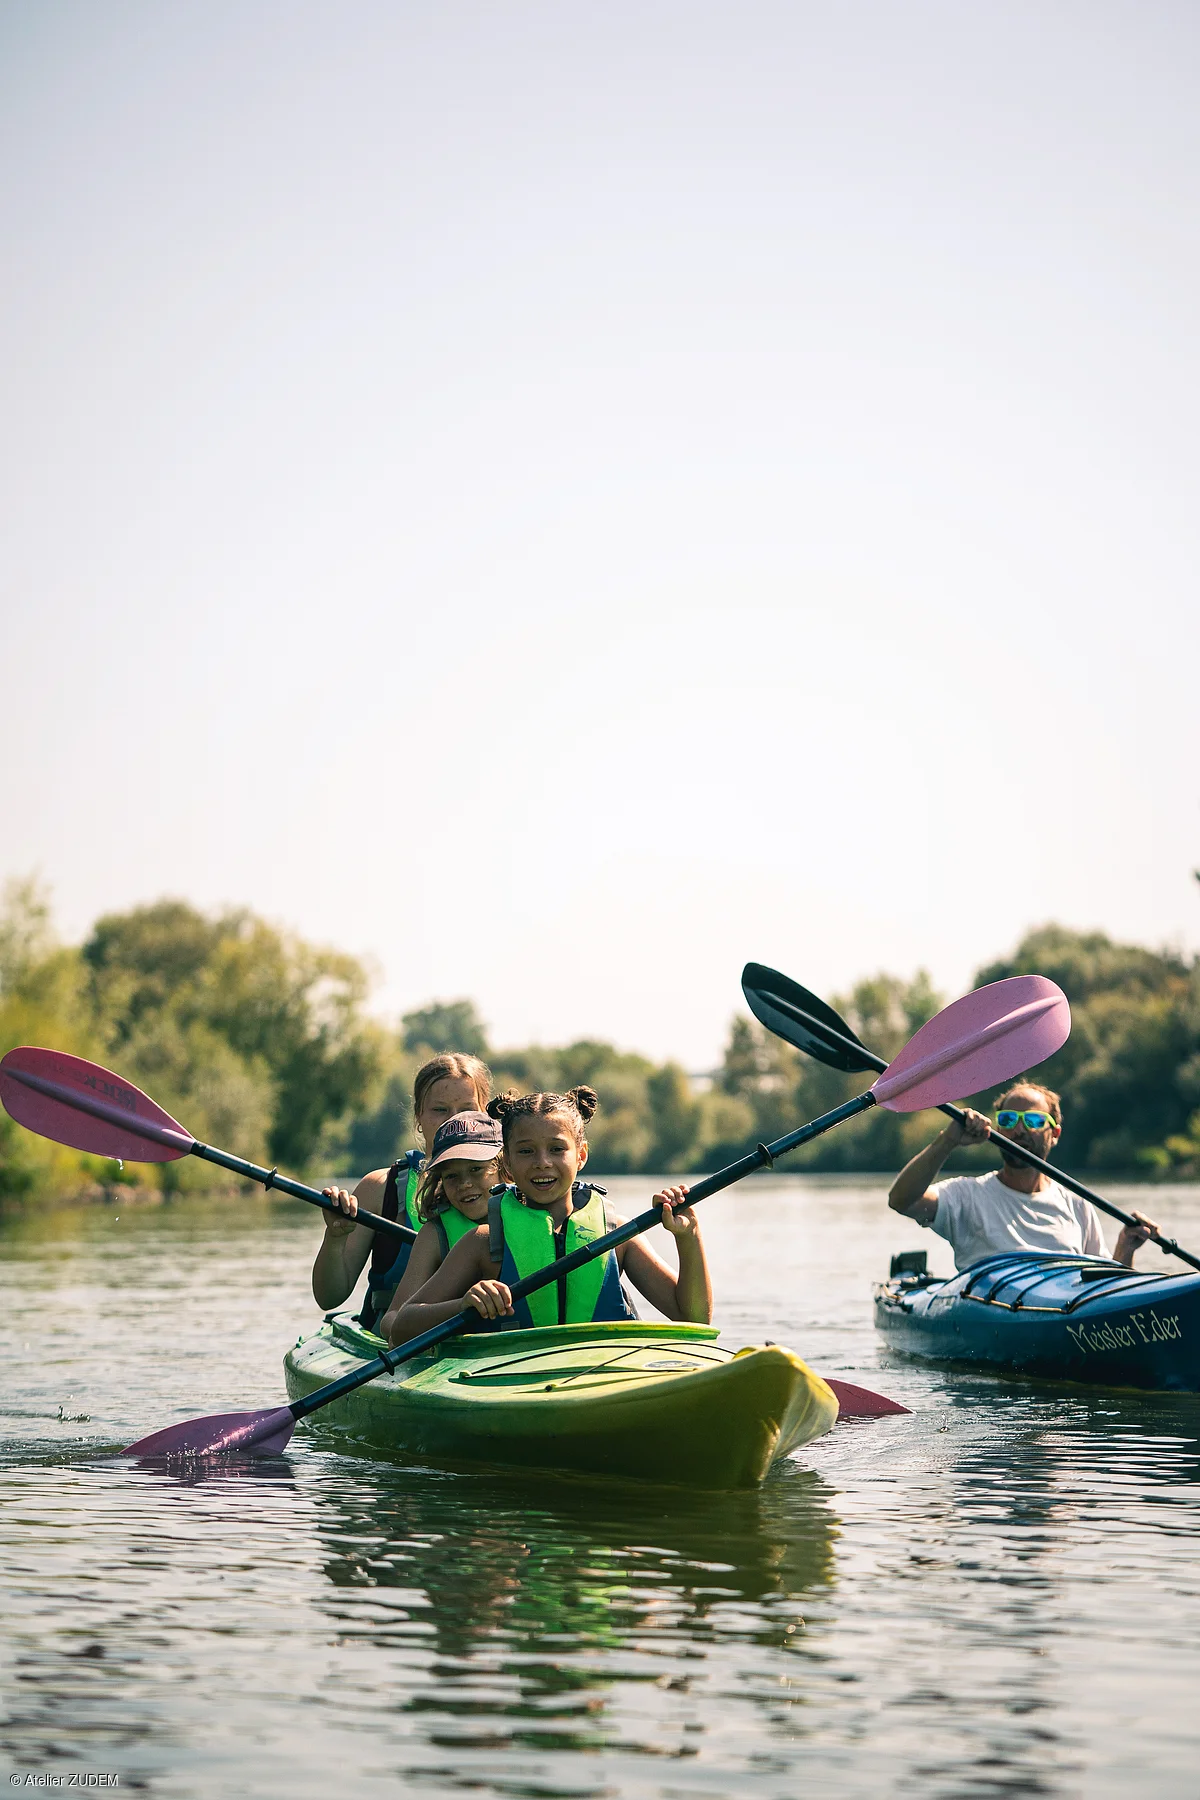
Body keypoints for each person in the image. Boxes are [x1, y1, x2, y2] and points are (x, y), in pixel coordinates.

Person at [386, 1084, 712, 1344]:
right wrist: (463, 1305)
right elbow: (400, 1329)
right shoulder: (483, 1241)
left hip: (603, 1378)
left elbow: (694, 1318)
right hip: (515, 1386)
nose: (542, 1162)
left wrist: (688, 1237)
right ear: (508, 1165)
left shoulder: (618, 1234)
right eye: (526, 1151)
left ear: (581, 1155)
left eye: (557, 1149)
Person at [888, 1080, 1158, 1271]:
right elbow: (901, 1200)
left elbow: (1105, 1290)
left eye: (1034, 1121)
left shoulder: (1078, 1205)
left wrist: (1125, 1248)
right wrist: (947, 1141)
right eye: (1007, 1120)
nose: (1018, 1130)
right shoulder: (966, 1195)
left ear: (1054, 1135)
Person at [312, 1052, 492, 1329]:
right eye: (440, 1110)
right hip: (396, 1343)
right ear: (419, 1115)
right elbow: (329, 1298)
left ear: (486, 1113)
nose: (453, 1121)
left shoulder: (516, 1189)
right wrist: (335, 1238)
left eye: (467, 1109)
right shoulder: (380, 1189)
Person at [375, 1111, 504, 1342]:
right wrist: (461, 1306)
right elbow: (391, 1320)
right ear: (440, 1182)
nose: (465, 1184)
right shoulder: (436, 1234)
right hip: (456, 1357)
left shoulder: (535, 1216)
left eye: (476, 1169)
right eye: (452, 1176)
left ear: (504, 1167)